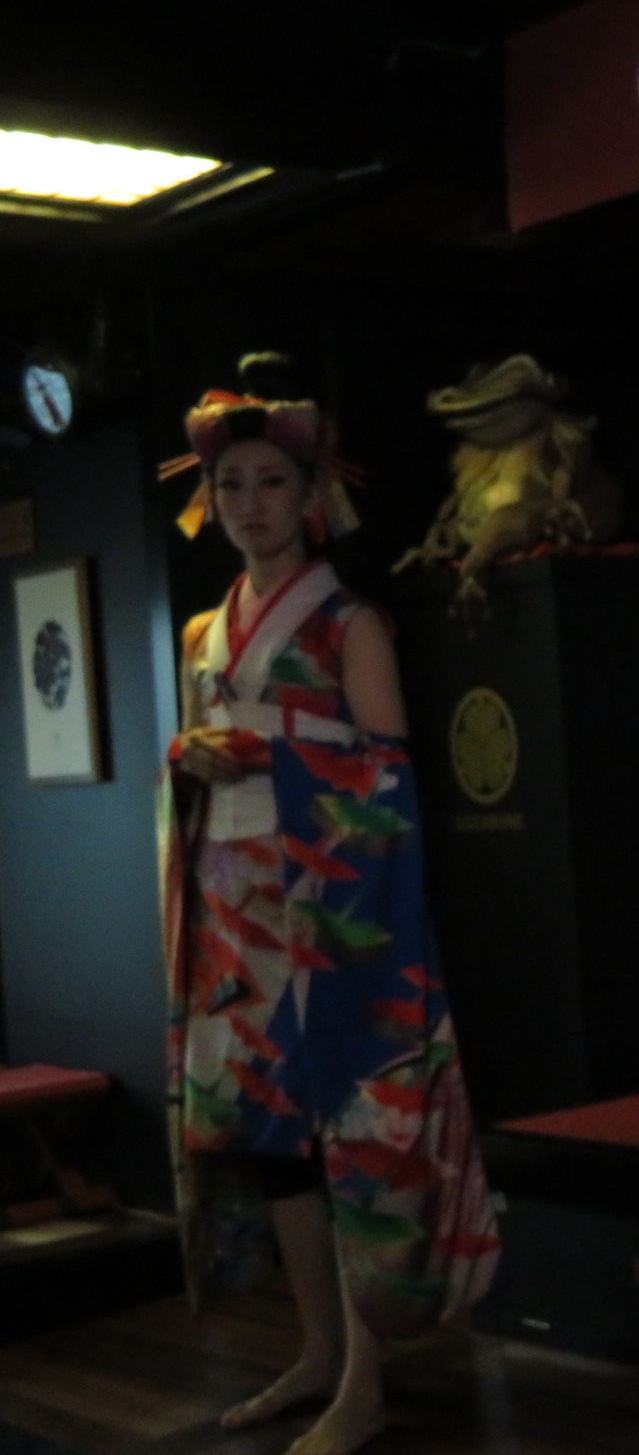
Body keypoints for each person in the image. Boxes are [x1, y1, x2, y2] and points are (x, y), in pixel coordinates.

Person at [157, 355, 499, 1455]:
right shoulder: (202, 633)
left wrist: (273, 755)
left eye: (271, 483)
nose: (249, 504)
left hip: (324, 906)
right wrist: (191, 756)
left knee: (346, 1130)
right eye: (231, 485)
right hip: (234, 902)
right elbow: (201, 753)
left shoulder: (349, 622)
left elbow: (390, 770)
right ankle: (313, 1346)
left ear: (312, 496)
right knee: (272, 1139)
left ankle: (363, 1375)